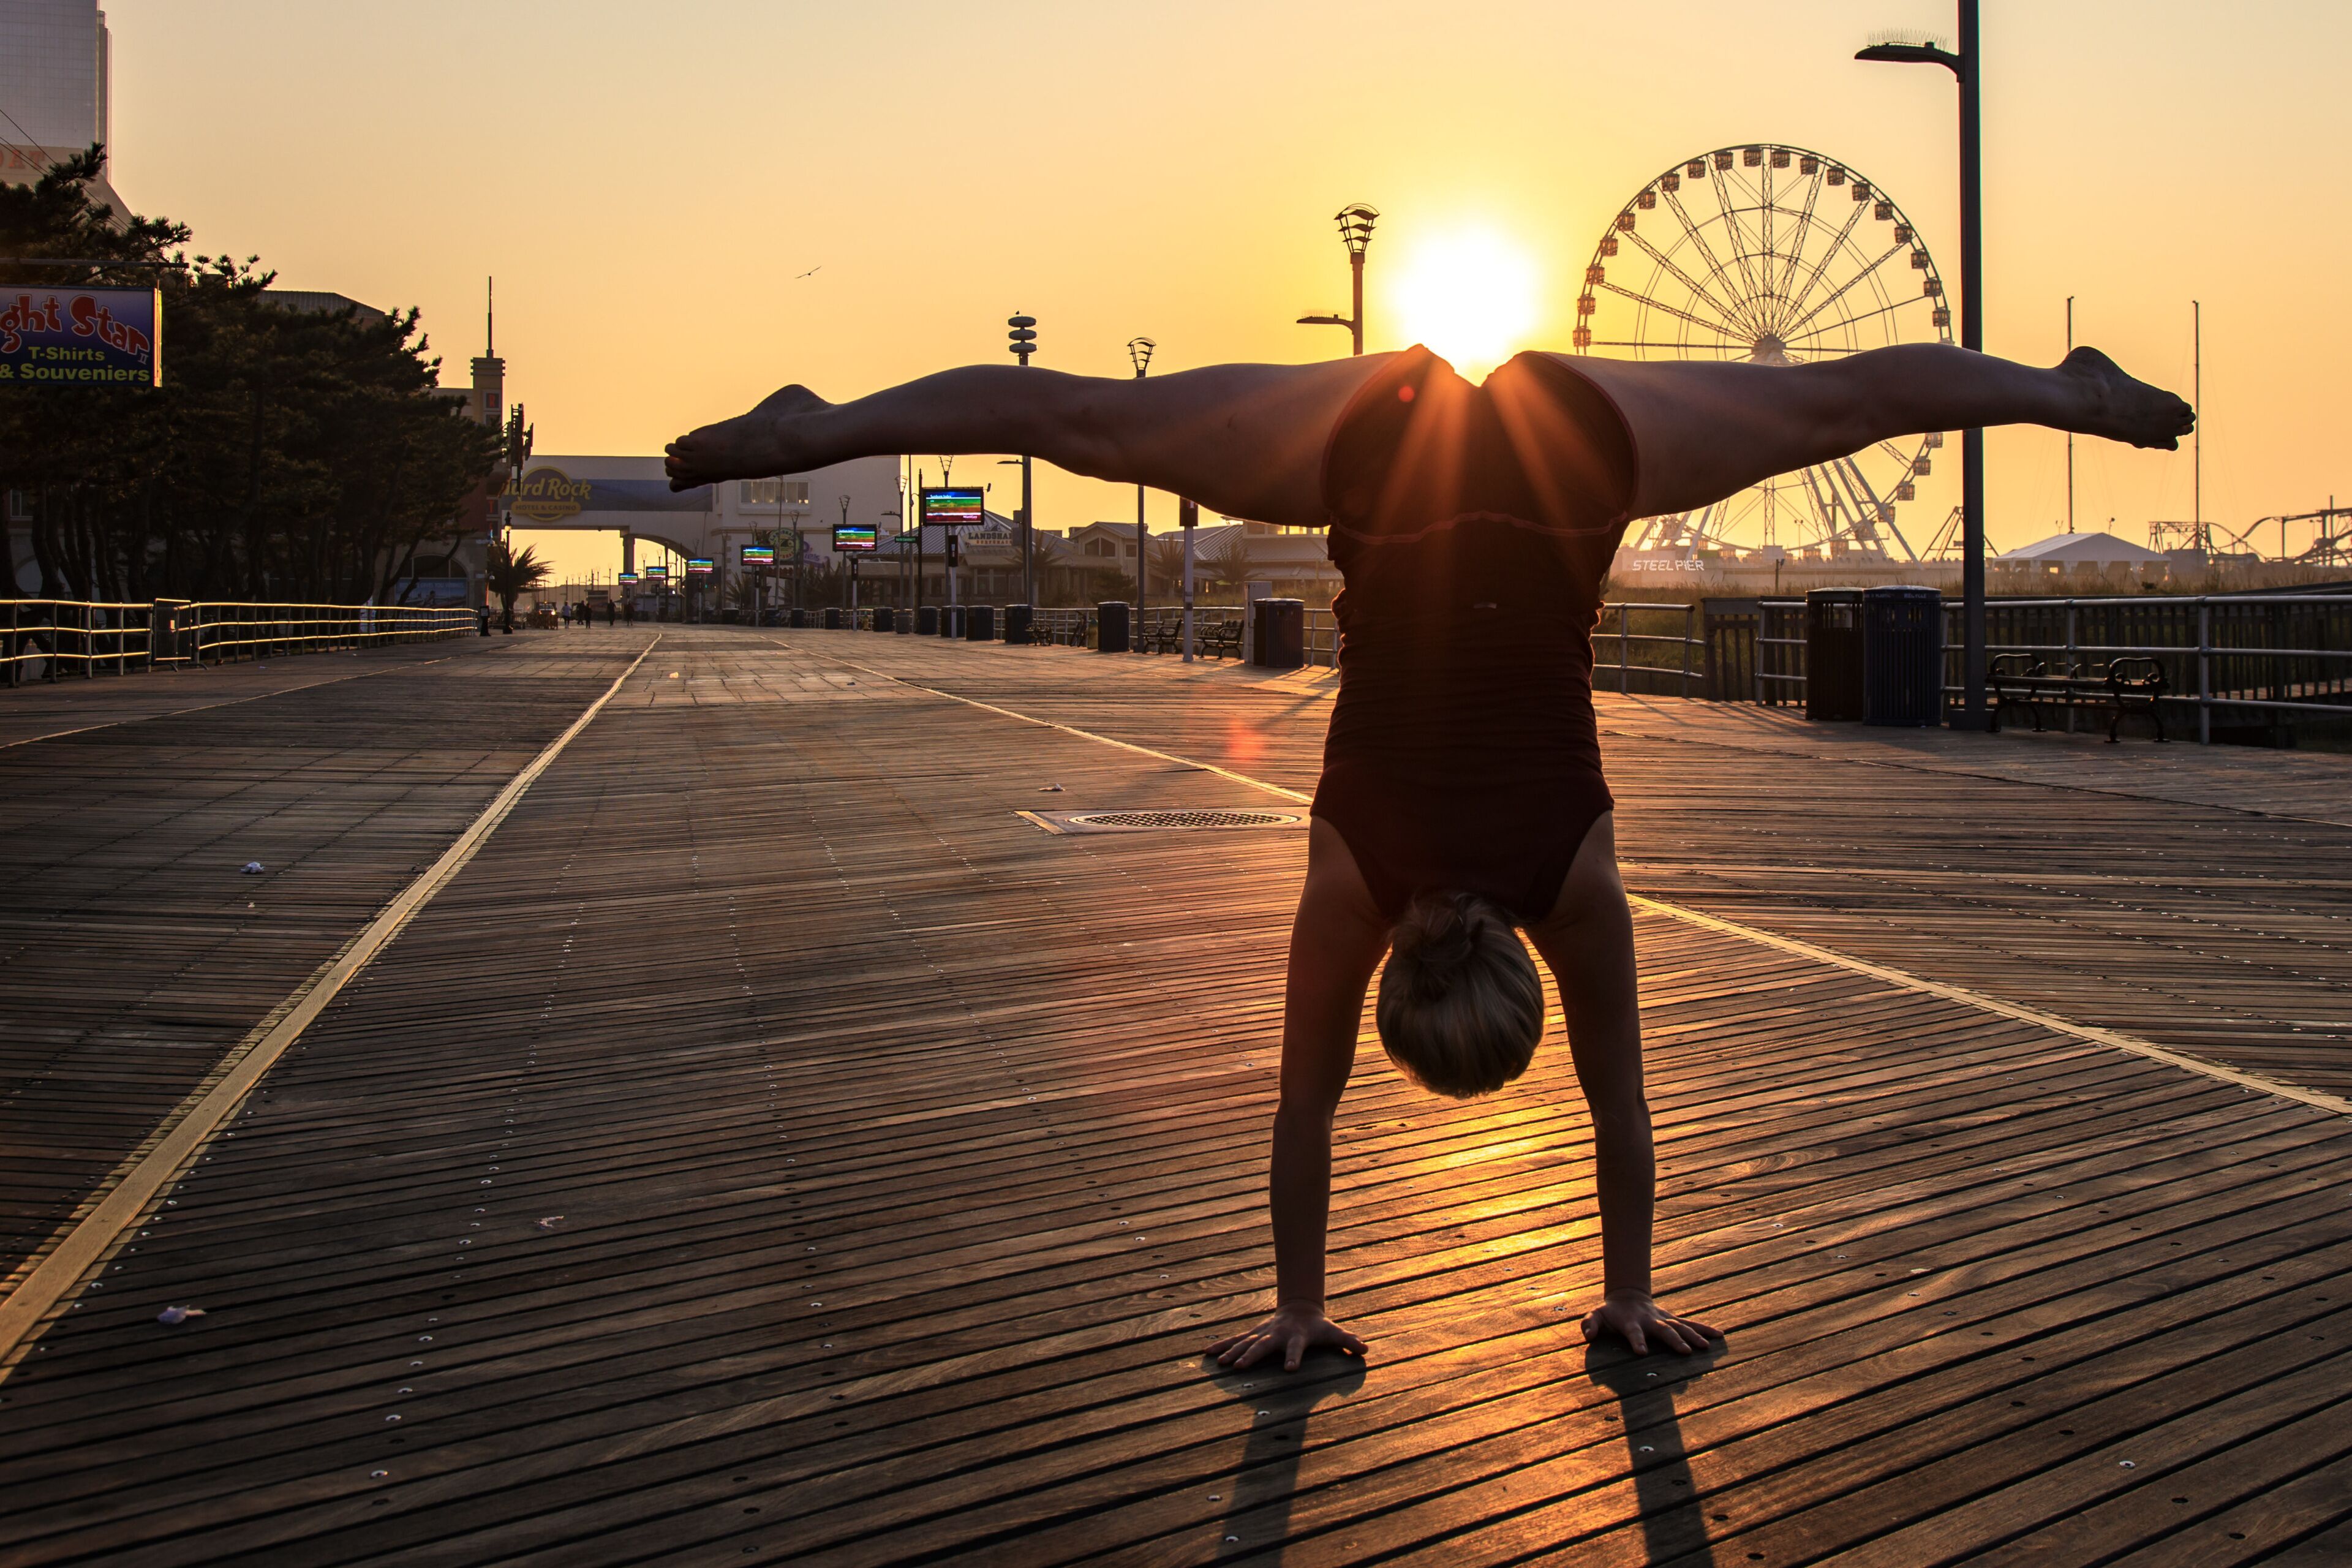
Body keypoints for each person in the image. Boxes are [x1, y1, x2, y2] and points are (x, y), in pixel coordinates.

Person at [666, 341, 2192, 1366]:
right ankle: (818, 429)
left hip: (1565, 455)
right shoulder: (1358, 875)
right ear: (1408, 965)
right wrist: (1298, 1308)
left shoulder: (1569, 878)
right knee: (1076, 421)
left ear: (1512, 963)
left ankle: (2059, 393)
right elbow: (1303, 1110)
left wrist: (1633, 1290)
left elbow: (1623, 1108)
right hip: (1376, 461)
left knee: (1846, 401)